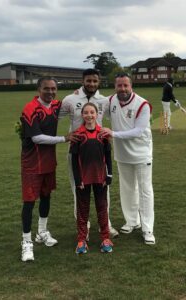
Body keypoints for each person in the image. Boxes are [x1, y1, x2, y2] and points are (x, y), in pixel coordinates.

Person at [20, 77, 77, 262]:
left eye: (54, 89)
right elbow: (36, 138)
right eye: (47, 89)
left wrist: (78, 93)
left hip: (48, 161)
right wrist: (64, 138)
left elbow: (70, 102)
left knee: (46, 196)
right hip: (32, 162)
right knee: (29, 202)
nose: (51, 92)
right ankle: (26, 242)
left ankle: (42, 232)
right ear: (39, 89)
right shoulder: (30, 108)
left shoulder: (55, 105)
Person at [60, 68, 119, 239]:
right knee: (78, 189)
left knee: (103, 190)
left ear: (98, 82)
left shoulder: (104, 100)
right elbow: (54, 116)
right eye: (88, 81)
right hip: (77, 152)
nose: (91, 84)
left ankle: (105, 225)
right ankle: (83, 228)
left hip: (98, 151)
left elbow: (116, 116)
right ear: (83, 80)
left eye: (95, 81)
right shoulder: (70, 99)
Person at [101, 73, 155, 245]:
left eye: (126, 85)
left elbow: (138, 131)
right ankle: (132, 221)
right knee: (127, 188)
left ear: (131, 86)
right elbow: (94, 104)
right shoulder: (111, 101)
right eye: (119, 86)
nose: (122, 89)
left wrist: (113, 133)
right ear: (115, 86)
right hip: (122, 154)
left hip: (141, 153)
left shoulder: (142, 104)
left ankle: (148, 229)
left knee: (145, 190)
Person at [70, 103, 113, 254]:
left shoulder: (103, 134)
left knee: (102, 208)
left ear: (96, 114)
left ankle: (105, 238)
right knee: (83, 210)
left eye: (92, 112)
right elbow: (74, 160)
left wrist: (109, 175)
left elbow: (107, 156)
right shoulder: (78, 135)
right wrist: (77, 179)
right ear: (82, 115)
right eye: (86, 113)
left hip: (100, 177)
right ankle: (81, 240)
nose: (89, 115)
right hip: (83, 179)